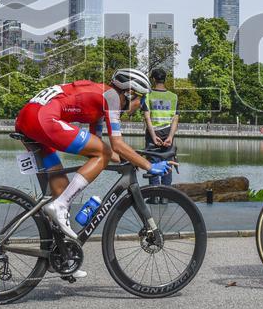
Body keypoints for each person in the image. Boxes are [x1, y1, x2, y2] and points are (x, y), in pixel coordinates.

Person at [15, 69, 172, 243]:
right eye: (142, 99)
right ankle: (60, 206)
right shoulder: (112, 97)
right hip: (43, 119)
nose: (142, 106)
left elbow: (98, 147)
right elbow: (115, 146)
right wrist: (149, 166)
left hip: (27, 119)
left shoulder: (101, 100)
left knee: (61, 188)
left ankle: (63, 257)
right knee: (65, 198)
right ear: (129, 93)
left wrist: (135, 158)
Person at [141, 68, 179, 186]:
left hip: (153, 133)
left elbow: (147, 118)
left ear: (153, 79)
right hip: (168, 132)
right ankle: (166, 196)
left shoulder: (147, 95)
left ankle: (154, 196)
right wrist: (170, 137)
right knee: (168, 162)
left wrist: (153, 136)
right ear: (165, 79)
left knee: (153, 163)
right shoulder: (173, 96)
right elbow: (175, 119)